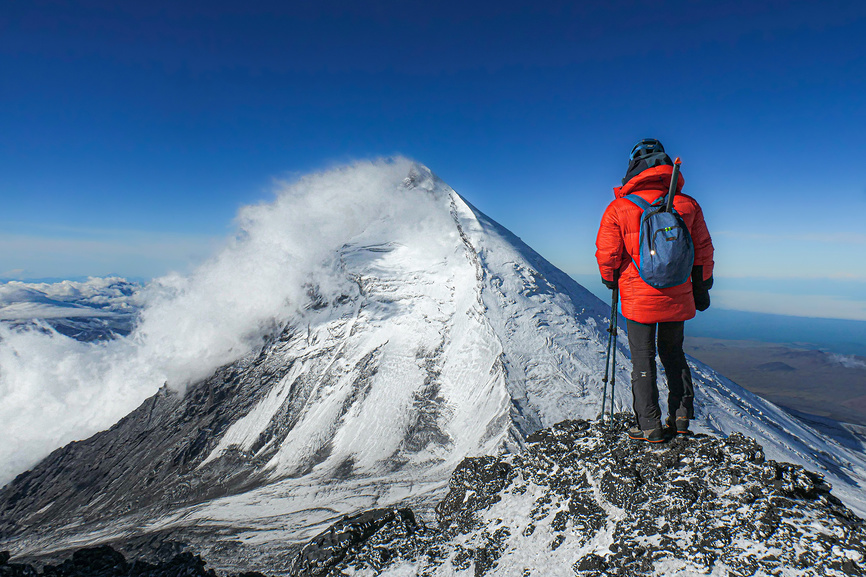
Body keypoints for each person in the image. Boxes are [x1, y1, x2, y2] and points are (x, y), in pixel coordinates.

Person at [595, 138, 714, 442]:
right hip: (678, 292)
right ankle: (682, 416)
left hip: (638, 297)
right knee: (673, 353)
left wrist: (610, 279)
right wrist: (702, 288)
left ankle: (649, 424)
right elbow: (702, 251)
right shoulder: (688, 205)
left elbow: (608, 254)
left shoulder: (619, 208)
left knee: (642, 359)